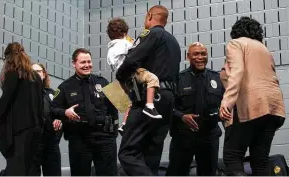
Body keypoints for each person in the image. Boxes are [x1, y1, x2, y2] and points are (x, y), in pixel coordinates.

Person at [116, 5, 181, 176]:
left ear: (150, 15)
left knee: (127, 153)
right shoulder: (174, 42)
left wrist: (120, 76)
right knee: (151, 154)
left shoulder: (151, 34)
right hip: (168, 99)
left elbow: (131, 60)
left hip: (149, 98)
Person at [219, 16, 286, 176]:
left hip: (250, 107)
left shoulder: (236, 43)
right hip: (274, 109)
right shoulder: (264, 49)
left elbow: (237, 72)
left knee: (232, 156)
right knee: (260, 160)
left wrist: (226, 102)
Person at [51, 48, 119, 176]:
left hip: (104, 138)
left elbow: (119, 104)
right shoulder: (65, 87)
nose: (87, 65)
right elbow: (53, 108)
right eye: (83, 62)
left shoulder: (102, 81)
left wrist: (113, 132)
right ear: (74, 63)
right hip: (79, 139)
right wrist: (65, 112)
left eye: (89, 61)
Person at [0, 42, 44, 176]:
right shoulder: (36, 78)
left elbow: (5, 100)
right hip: (36, 130)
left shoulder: (14, 73)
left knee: (16, 168)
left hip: (19, 130)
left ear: (8, 58)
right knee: (31, 169)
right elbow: (40, 105)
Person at [166, 42, 224, 176]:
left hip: (209, 138)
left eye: (203, 54)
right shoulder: (178, 79)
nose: (200, 57)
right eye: (196, 54)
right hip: (183, 138)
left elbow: (225, 104)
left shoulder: (217, 78)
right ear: (188, 57)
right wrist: (181, 116)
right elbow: (168, 107)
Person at [106, 18, 162, 133]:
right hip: (132, 72)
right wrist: (132, 42)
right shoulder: (124, 43)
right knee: (153, 79)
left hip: (122, 78)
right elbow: (135, 52)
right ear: (124, 33)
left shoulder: (110, 49)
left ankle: (124, 124)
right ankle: (150, 105)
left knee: (131, 101)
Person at [32, 63, 62, 176]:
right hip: (32, 143)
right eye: (32, 72)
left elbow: (60, 113)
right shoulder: (22, 94)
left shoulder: (52, 94)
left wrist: (59, 121)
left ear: (44, 74)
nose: (35, 74)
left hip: (51, 142)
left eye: (38, 71)